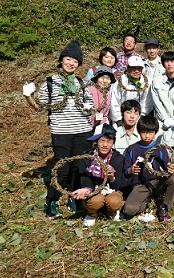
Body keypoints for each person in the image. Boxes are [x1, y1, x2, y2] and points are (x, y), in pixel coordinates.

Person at [22, 39, 94, 218]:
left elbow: (91, 105)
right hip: (61, 131)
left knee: (79, 167)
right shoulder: (49, 83)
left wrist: (88, 106)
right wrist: (28, 96)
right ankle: (52, 200)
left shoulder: (80, 83)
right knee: (62, 168)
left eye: (75, 61)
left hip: (83, 130)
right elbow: (39, 106)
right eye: (69, 59)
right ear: (62, 60)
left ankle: (75, 198)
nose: (71, 63)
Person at [121, 116, 174, 222]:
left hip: (158, 182)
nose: (147, 136)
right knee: (129, 211)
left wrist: (171, 168)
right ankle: (145, 202)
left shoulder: (161, 148)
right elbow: (125, 170)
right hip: (141, 185)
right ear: (139, 132)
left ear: (155, 132)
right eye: (144, 132)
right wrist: (131, 170)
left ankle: (164, 206)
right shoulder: (132, 149)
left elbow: (167, 167)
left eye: (150, 132)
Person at [71, 124, 124, 226]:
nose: (105, 145)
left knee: (114, 201)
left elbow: (118, 185)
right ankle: (92, 213)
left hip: (110, 190)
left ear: (113, 142)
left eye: (109, 141)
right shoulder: (87, 158)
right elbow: (85, 179)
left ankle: (111, 212)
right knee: (95, 201)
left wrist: (112, 177)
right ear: (96, 142)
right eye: (102, 141)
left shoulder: (118, 158)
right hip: (94, 191)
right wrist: (87, 189)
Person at [110, 56, 152, 127]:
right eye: (133, 68)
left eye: (139, 68)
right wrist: (119, 120)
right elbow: (114, 102)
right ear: (127, 68)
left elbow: (148, 103)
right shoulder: (119, 82)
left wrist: (140, 117)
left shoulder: (148, 82)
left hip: (139, 120)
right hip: (121, 120)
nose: (136, 71)